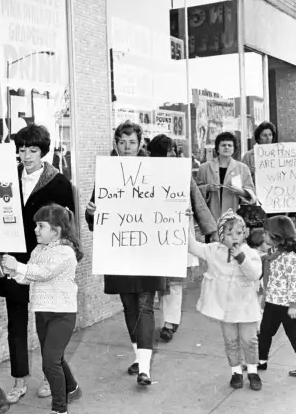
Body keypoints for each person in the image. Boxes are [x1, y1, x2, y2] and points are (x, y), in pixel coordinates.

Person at [0, 124, 75, 404]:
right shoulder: (5, 178)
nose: (27, 155)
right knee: (16, 322)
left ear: (44, 151)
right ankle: (19, 380)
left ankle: (48, 375)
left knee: (47, 322)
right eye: (22, 149)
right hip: (14, 261)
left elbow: (68, 228)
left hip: (46, 264)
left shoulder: (59, 183)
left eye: (33, 150)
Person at [85, 121, 165, 385]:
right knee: (129, 307)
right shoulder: (107, 174)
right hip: (119, 251)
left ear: (141, 143)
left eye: (132, 142)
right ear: (115, 145)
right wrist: (91, 212)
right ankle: (138, 357)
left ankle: (145, 368)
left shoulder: (157, 172)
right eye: (122, 142)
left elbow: (169, 204)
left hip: (148, 250)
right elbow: (95, 219)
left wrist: (178, 214)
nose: (127, 147)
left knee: (144, 306)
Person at [2, 204, 82, 414]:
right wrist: (13, 273)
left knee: (49, 362)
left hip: (62, 314)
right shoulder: (39, 250)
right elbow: (30, 278)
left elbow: (44, 273)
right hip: (42, 312)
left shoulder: (65, 252)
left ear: (56, 230)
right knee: (55, 357)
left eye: (41, 226)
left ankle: (60, 409)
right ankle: (73, 389)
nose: (36, 230)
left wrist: (18, 266)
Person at [146, 135, 217, 342]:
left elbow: (198, 203)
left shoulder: (182, 175)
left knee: (174, 282)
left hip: (176, 234)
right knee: (153, 282)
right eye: (168, 151)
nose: (172, 155)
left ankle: (170, 322)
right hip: (150, 237)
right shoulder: (142, 173)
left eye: (173, 151)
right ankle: (151, 322)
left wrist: (209, 230)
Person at [187, 209, 263, 391]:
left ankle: (252, 371)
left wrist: (241, 258)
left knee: (249, 341)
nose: (234, 237)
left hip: (246, 307)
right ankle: (236, 372)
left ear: (244, 233)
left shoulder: (250, 253)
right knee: (231, 341)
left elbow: (255, 274)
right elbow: (192, 246)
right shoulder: (214, 250)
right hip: (225, 308)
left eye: (238, 233)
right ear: (221, 235)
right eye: (229, 234)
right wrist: (186, 221)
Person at [257, 216, 296, 377]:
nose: (264, 236)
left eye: (266, 233)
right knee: (264, 333)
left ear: (277, 235)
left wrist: (293, 305)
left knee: (295, 336)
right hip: (271, 303)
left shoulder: (291, 259)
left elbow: (294, 284)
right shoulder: (273, 254)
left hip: (286, 306)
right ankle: (261, 361)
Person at [197, 132, 256, 226]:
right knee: (213, 240)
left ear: (234, 148)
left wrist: (241, 191)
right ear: (217, 148)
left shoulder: (243, 168)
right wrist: (208, 188)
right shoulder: (204, 167)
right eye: (223, 145)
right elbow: (196, 192)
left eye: (230, 145)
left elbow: (252, 193)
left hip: (234, 216)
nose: (226, 147)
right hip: (211, 217)